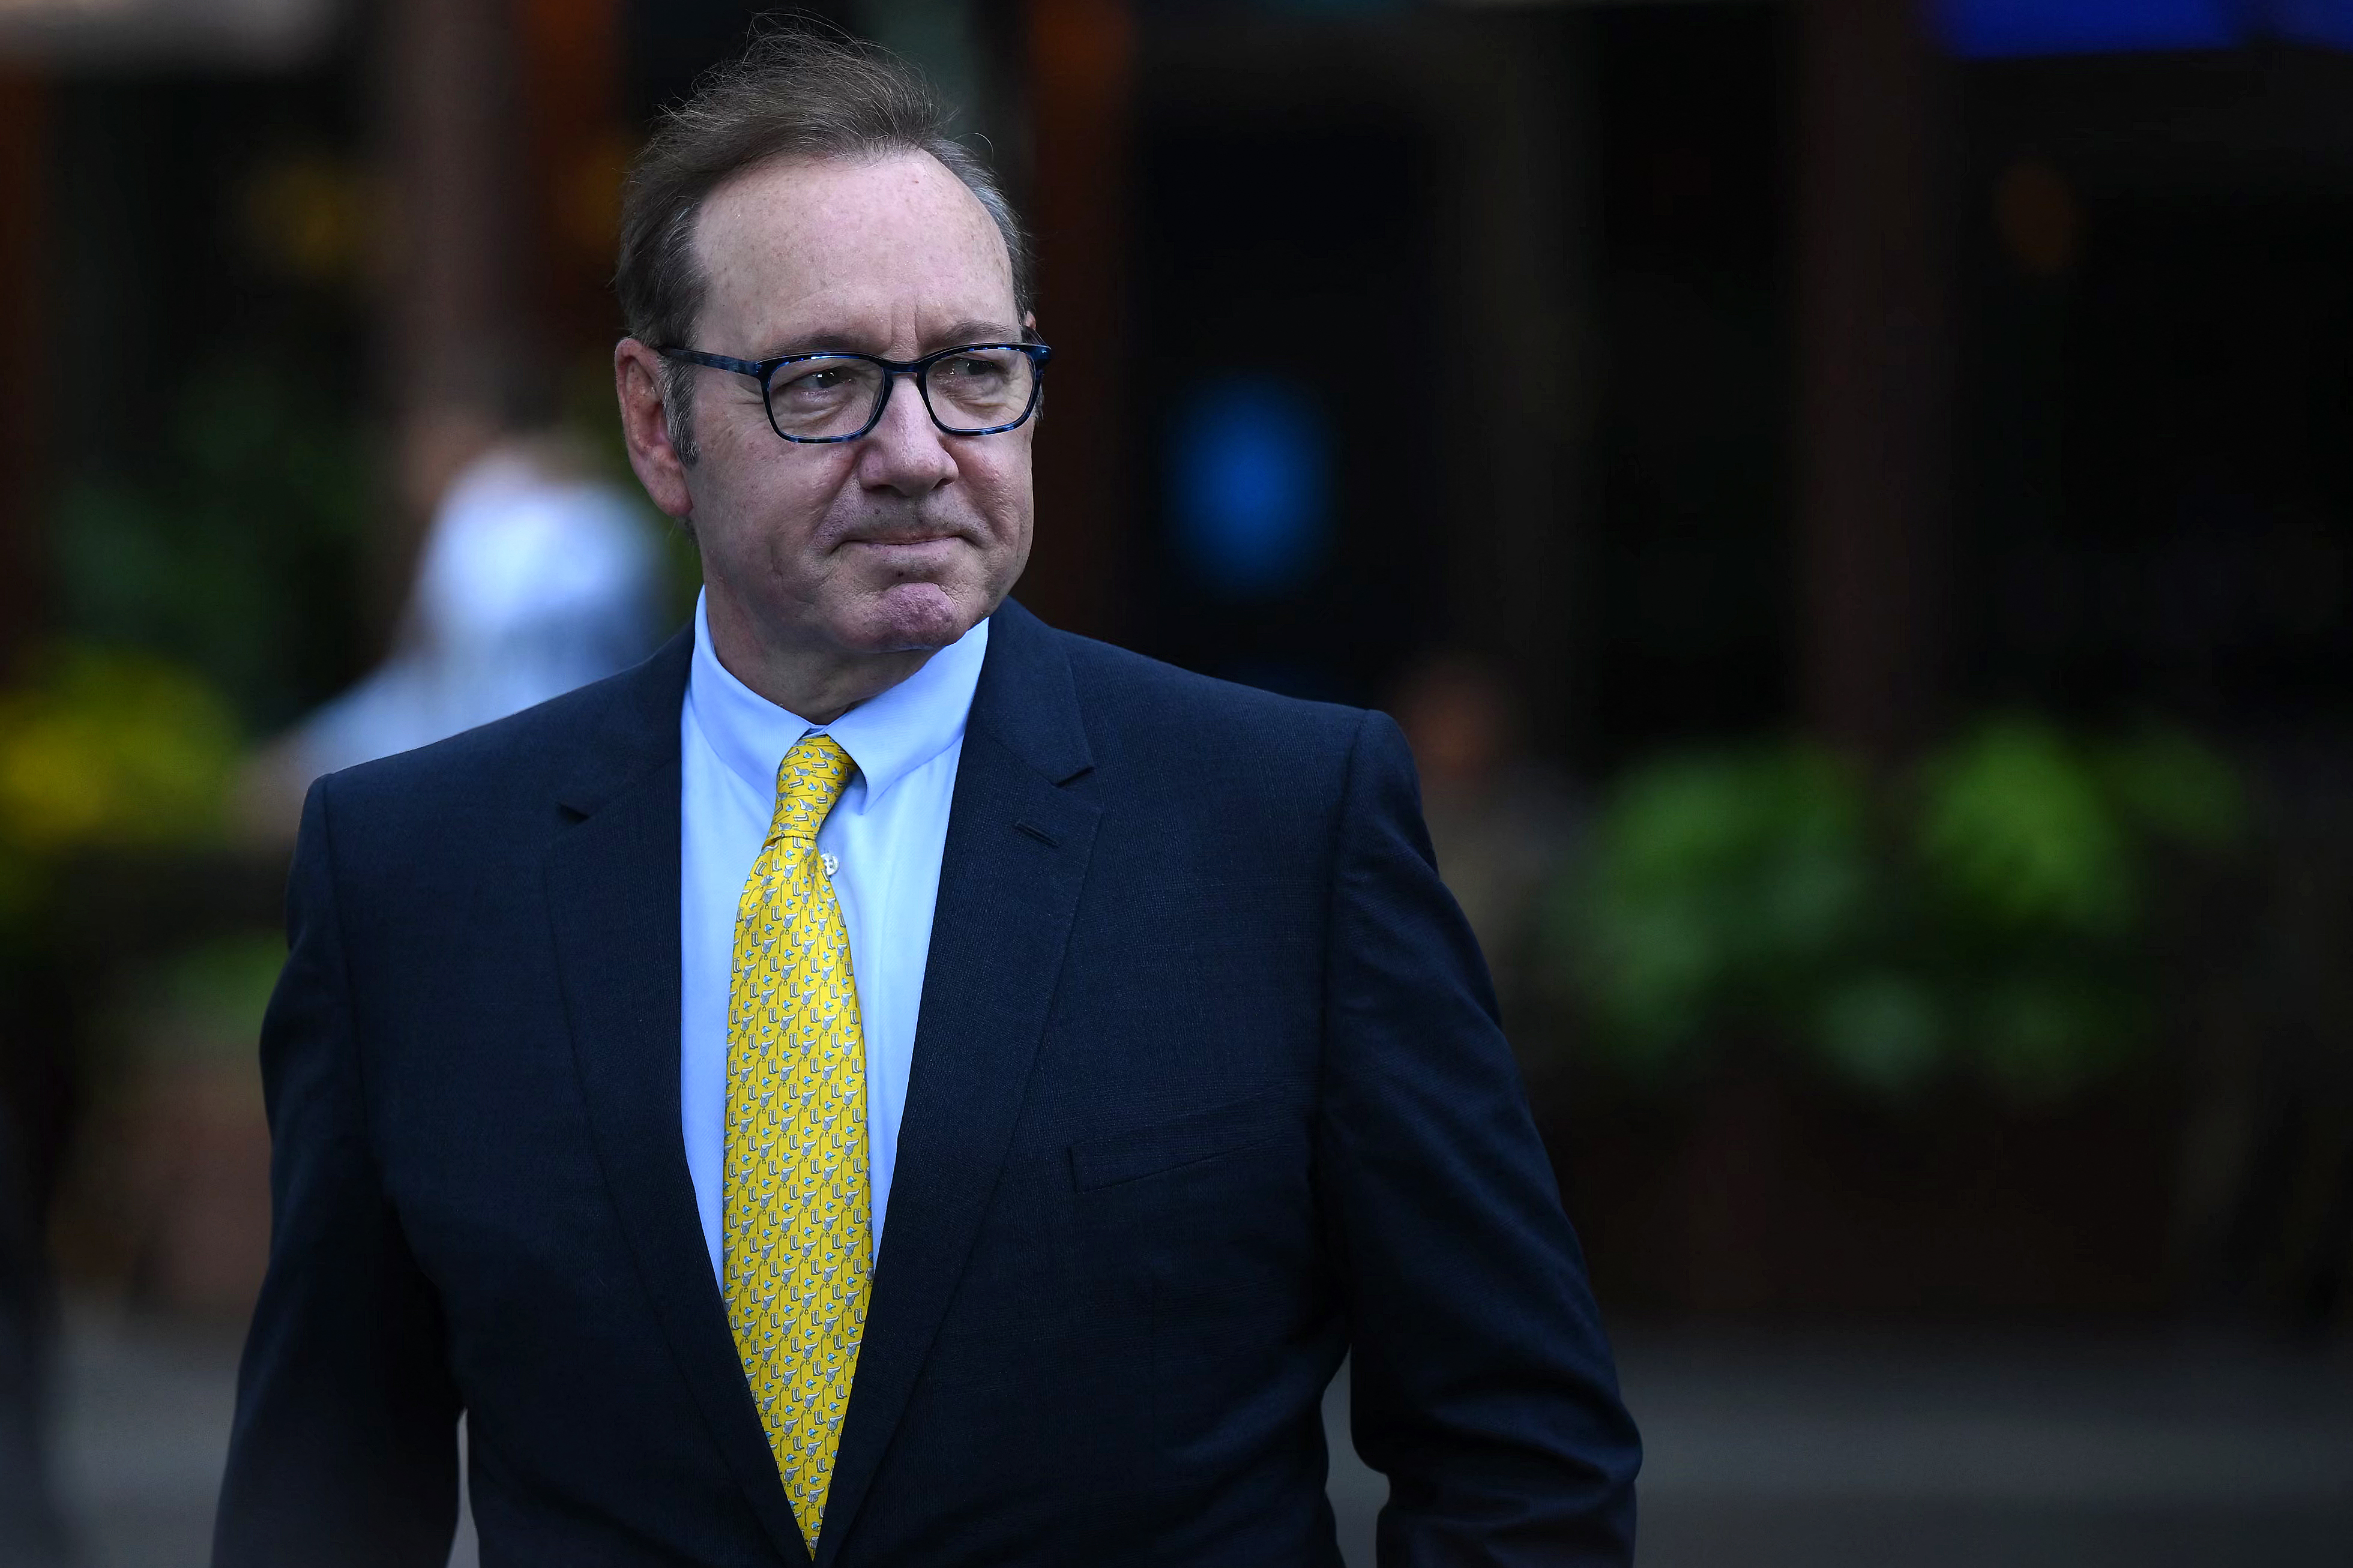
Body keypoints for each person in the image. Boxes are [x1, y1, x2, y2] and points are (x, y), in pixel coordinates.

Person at [212, 29, 1638, 1567]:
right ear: (654, 422)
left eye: (971, 371)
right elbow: (322, 1492)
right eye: (823, 380)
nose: (917, 453)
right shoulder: (416, 875)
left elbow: (1520, 1456)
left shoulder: (1283, 830)